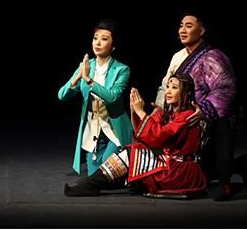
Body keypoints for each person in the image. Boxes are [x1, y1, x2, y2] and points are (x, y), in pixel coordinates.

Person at [154, 12, 247, 201]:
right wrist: (160, 109)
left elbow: (225, 88)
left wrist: (204, 109)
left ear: (201, 31)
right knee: (195, 171)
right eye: (181, 25)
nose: (183, 30)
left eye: (189, 26)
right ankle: (242, 165)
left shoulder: (213, 57)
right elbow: (165, 85)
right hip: (183, 118)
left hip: (206, 119)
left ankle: (225, 181)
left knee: (222, 125)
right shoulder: (178, 57)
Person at [64, 73, 207, 198]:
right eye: (168, 87)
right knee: (133, 149)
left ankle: (90, 184)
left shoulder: (187, 115)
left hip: (179, 171)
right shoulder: (168, 114)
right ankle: (92, 184)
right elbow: (143, 134)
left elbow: (160, 136)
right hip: (169, 164)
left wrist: (141, 112)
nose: (168, 91)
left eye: (174, 88)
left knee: (130, 153)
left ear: (186, 93)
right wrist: (135, 111)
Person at [57, 19, 133, 176]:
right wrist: (77, 78)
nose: (97, 43)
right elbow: (62, 95)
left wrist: (89, 80)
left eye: (104, 39)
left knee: (107, 172)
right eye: (95, 38)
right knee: (95, 176)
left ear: (113, 46)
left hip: (114, 131)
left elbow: (112, 97)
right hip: (94, 131)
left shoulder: (122, 70)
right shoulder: (86, 66)